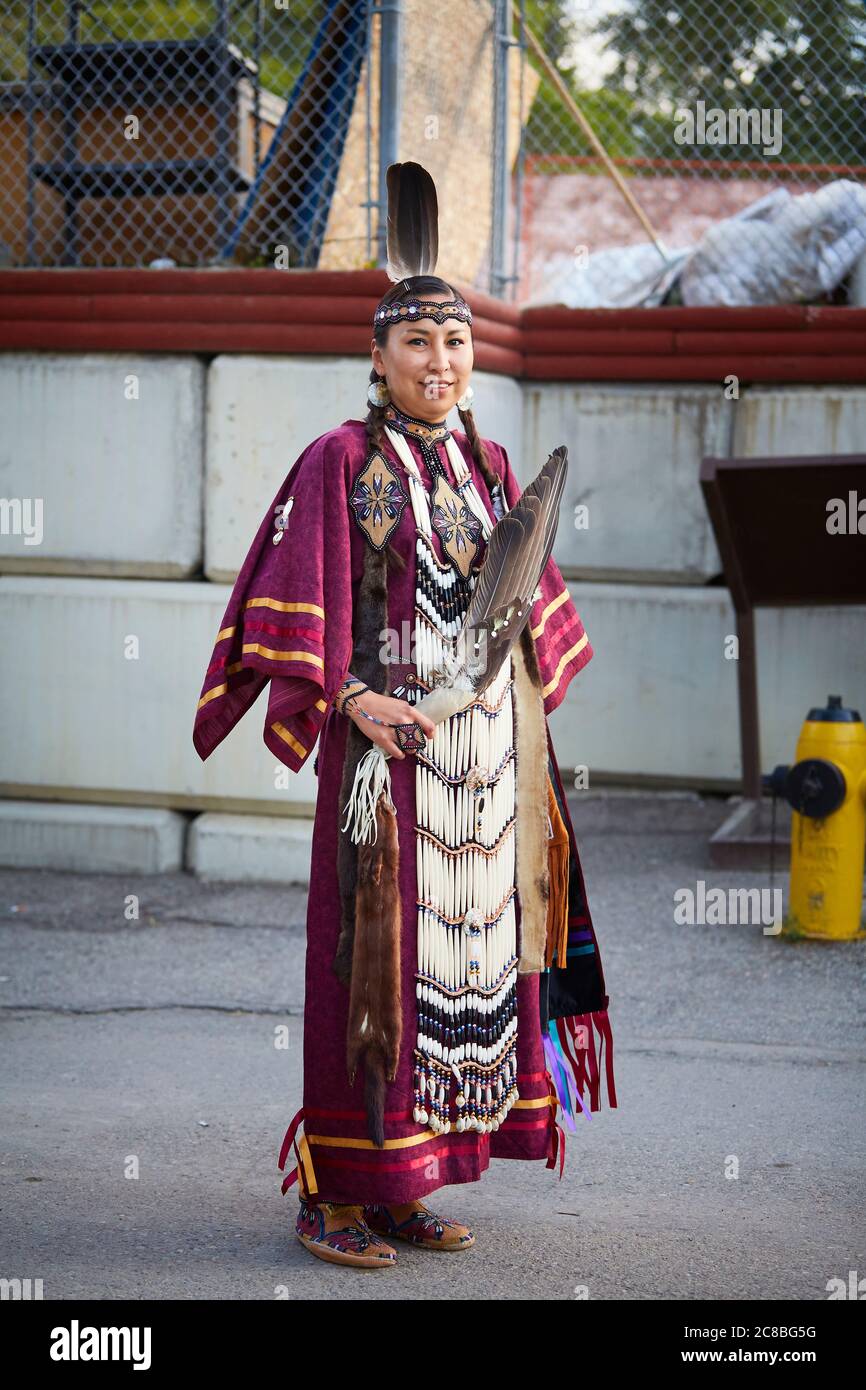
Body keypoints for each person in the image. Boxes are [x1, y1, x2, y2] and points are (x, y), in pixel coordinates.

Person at [193, 163, 616, 1270]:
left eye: (457, 345)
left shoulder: (487, 465)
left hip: (481, 765)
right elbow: (290, 600)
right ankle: (335, 1190)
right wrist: (350, 696)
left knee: (468, 976)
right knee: (367, 967)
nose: (441, 363)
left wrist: (521, 723)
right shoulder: (342, 460)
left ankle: (407, 1183)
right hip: (386, 764)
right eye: (418, 346)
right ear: (376, 358)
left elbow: (530, 610)